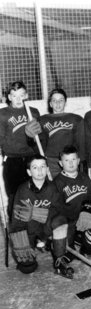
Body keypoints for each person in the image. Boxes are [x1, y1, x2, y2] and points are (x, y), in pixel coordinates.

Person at [9, 154, 74, 278]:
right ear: (29, 172)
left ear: (47, 169)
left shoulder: (53, 187)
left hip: (47, 226)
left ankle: (59, 259)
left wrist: (37, 215)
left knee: (60, 221)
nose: (39, 171)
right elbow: (18, 218)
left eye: (43, 167)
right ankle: (32, 252)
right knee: (28, 268)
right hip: (28, 229)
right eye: (35, 167)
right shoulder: (22, 190)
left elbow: (60, 211)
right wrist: (21, 242)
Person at [53, 145, 91, 259]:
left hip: (84, 214)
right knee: (68, 255)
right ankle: (74, 241)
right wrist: (70, 219)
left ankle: (86, 248)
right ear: (61, 163)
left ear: (78, 161)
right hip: (69, 219)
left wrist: (86, 210)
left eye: (73, 159)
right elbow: (57, 205)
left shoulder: (84, 176)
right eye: (66, 160)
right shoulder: (57, 181)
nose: (70, 163)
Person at [0, 81, 41, 218]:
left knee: (36, 196)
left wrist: (32, 139)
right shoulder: (3, 114)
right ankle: (17, 235)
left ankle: (36, 235)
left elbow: (39, 141)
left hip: (32, 159)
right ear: (9, 97)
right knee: (15, 197)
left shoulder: (33, 112)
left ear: (26, 95)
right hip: (13, 160)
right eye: (14, 96)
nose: (18, 99)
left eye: (21, 95)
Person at [24, 88, 85, 178]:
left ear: (65, 102)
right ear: (50, 104)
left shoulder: (76, 119)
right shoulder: (42, 120)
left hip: (70, 160)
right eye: (54, 101)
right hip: (51, 162)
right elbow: (38, 146)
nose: (58, 103)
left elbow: (81, 144)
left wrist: (81, 163)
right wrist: (30, 137)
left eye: (61, 100)